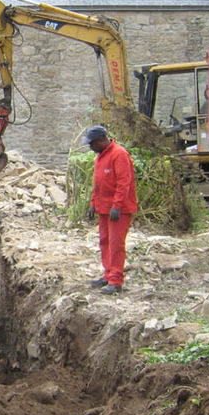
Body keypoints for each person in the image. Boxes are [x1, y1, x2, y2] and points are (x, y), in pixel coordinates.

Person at [84, 125, 138, 294]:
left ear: (101, 140)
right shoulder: (100, 156)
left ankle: (115, 280)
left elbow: (124, 182)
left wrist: (117, 206)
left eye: (92, 144)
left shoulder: (119, 154)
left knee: (116, 244)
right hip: (104, 208)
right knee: (105, 241)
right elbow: (98, 183)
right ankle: (108, 274)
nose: (90, 147)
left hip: (117, 210)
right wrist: (93, 204)